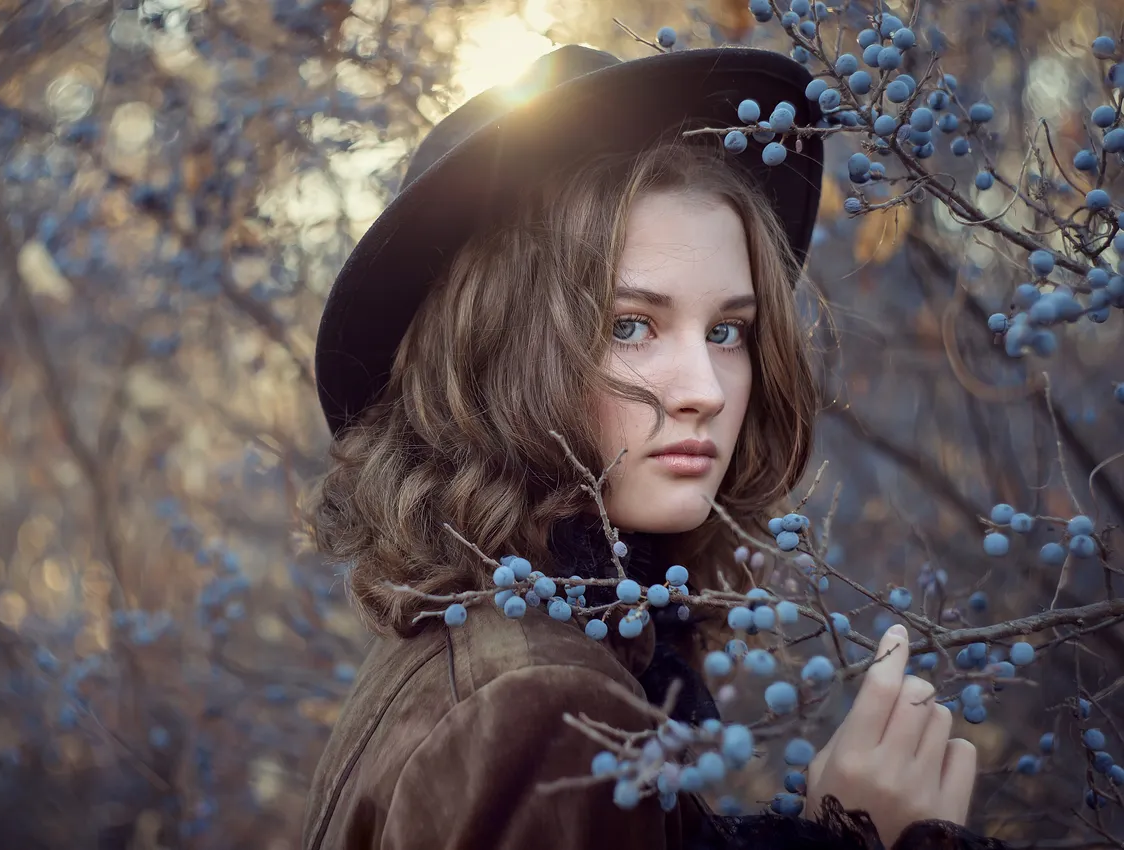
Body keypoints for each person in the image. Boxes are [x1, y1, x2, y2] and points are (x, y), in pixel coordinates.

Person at [302, 44, 1007, 850]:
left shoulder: (495, 646)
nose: (704, 388)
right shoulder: (541, 703)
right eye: (629, 325)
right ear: (499, 354)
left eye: (728, 331)